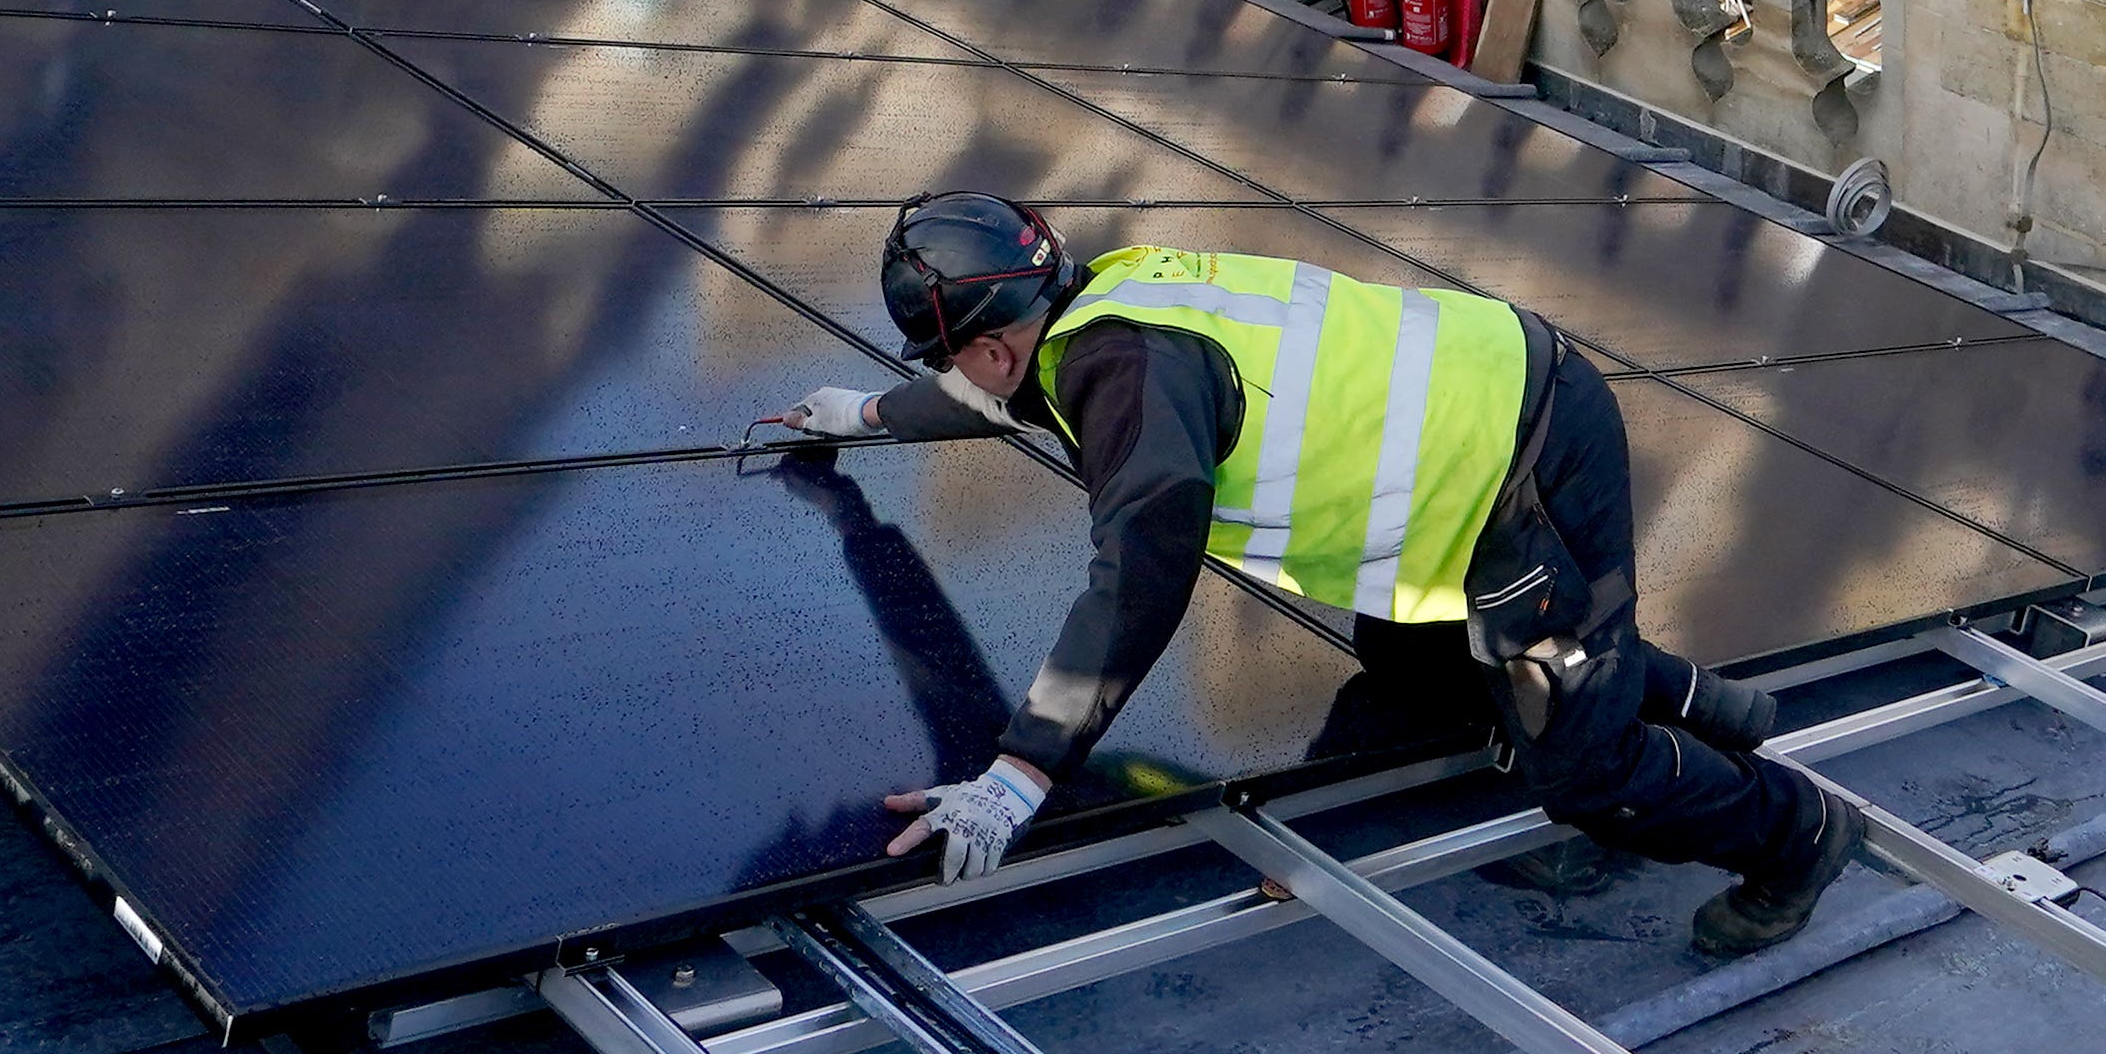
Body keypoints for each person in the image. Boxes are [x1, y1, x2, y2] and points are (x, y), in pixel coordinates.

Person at [757, 193, 1864, 958]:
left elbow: (1137, 575)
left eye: (950, 356)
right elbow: (989, 393)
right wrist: (860, 415)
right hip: (1468, 445)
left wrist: (1021, 772)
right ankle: (1701, 700)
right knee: (1411, 668)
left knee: (1584, 770)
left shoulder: (1127, 374)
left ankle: (1798, 834)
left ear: (990, 344)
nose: (964, 376)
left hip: (1525, 458)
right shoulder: (1096, 305)